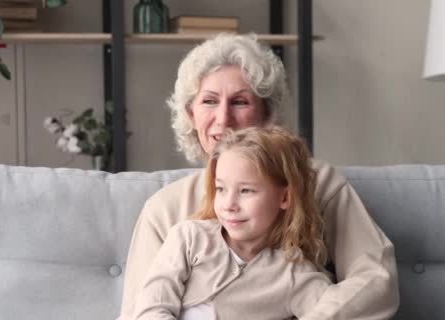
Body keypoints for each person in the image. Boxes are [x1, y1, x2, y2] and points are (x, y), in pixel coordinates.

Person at [120, 33, 399, 319]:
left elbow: (375, 279)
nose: (223, 118)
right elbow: (138, 311)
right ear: (191, 115)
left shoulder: (321, 183)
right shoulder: (164, 210)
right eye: (209, 101)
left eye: (240, 102)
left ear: (268, 114)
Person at [133, 126, 333, 319]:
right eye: (221, 189)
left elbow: (337, 311)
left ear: (284, 197)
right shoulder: (189, 238)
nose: (229, 205)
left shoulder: (294, 273)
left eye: (246, 191)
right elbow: (150, 309)